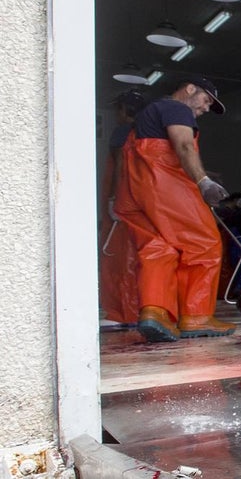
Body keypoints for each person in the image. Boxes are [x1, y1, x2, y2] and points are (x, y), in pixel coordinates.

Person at [113, 76, 234, 342]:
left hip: (132, 193)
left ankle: (155, 313)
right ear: (190, 88)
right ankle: (196, 316)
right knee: (204, 244)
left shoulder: (146, 116)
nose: (205, 108)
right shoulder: (177, 108)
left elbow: (139, 156)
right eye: (206, 100)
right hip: (163, 187)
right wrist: (203, 182)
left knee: (158, 248)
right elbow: (184, 145)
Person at [99, 90, 147, 326]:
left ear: (124, 109)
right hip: (141, 199)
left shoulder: (123, 132)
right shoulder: (148, 131)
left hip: (123, 200)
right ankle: (138, 308)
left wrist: (113, 198)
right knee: (139, 254)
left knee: (119, 255)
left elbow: (120, 164)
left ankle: (121, 311)